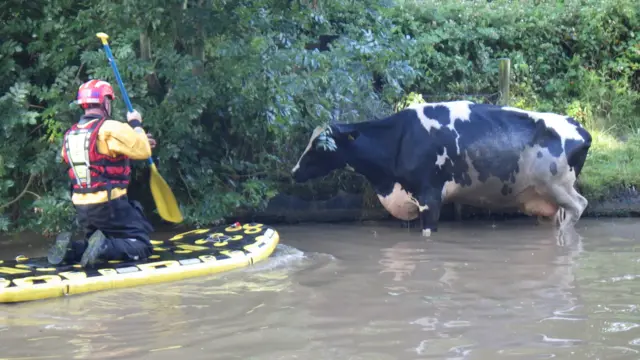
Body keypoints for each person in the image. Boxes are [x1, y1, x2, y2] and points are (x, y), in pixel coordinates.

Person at [47, 79, 158, 267]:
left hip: (83, 209)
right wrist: (135, 123)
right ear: (106, 102)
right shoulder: (111, 128)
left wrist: (136, 142)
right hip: (110, 205)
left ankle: (72, 249)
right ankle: (105, 247)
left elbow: (97, 159)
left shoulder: (71, 134)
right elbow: (144, 151)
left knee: (93, 243)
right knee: (141, 245)